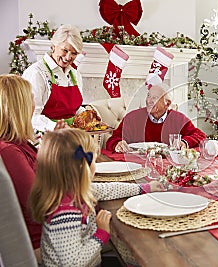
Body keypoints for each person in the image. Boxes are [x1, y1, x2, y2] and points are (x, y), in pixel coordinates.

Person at [29, 128, 164, 266]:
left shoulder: (74, 191)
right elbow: (73, 264)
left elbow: (109, 189)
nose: (96, 165)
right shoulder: (66, 214)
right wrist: (102, 233)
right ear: (83, 167)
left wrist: (144, 188)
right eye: (94, 161)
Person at [0, 74, 42, 262]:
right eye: (31, 98)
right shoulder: (9, 152)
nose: (34, 105)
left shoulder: (18, 143)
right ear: (20, 107)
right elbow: (40, 203)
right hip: (47, 239)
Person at [106, 85, 207, 153]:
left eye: (154, 98)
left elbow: (200, 136)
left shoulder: (178, 119)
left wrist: (184, 142)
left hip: (169, 167)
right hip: (137, 165)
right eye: (148, 96)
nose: (149, 100)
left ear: (167, 103)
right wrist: (117, 144)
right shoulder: (132, 118)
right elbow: (113, 139)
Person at [22, 24, 85, 132]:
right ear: (54, 46)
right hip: (44, 139)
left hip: (70, 135)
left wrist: (87, 114)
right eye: (65, 50)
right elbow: (30, 116)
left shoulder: (75, 74)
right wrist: (54, 127)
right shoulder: (37, 73)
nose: (68, 57)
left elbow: (75, 109)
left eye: (74, 53)